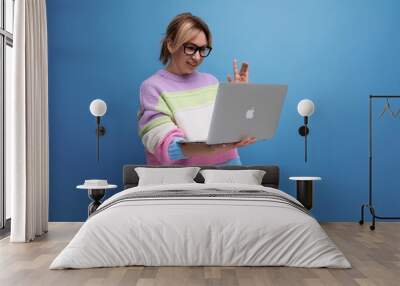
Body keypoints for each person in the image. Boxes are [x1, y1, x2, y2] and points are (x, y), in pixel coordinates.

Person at [137, 12, 256, 166]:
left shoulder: (211, 81)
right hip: (184, 181)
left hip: (229, 170)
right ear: (171, 44)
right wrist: (214, 146)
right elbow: (167, 147)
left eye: (202, 50)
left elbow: (229, 130)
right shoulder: (152, 88)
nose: (197, 57)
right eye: (191, 48)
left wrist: (238, 97)